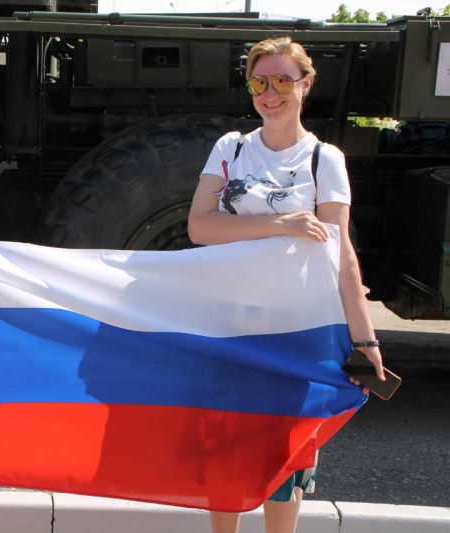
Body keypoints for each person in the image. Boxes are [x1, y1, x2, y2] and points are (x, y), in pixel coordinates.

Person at [188, 37, 385, 533]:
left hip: (295, 329)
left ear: (306, 84)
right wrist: (280, 224)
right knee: (226, 453)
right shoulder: (231, 147)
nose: (270, 93)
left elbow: (341, 254)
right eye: (259, 82)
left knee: (286, 455)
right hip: (229, 325)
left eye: (282, 80)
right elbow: (200, 227)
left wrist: (365, 339)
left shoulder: (324, 159)